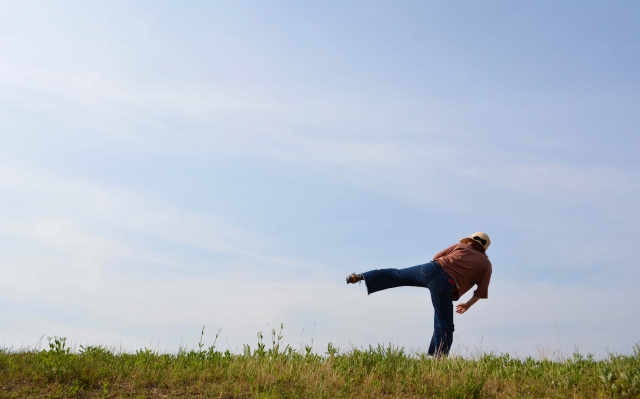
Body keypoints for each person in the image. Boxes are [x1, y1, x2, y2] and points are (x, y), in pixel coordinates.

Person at [346, 232, 492, 357]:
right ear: (484, 248)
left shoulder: (461, 246)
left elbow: (437, 256)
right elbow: (481, 290)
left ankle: (360, 276)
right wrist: (467, 304)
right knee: (444, 321)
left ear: (470, 241)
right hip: (445, 283)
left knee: (396, 274)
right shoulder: (485, 264)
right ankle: (439, 358)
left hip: (430, 269)